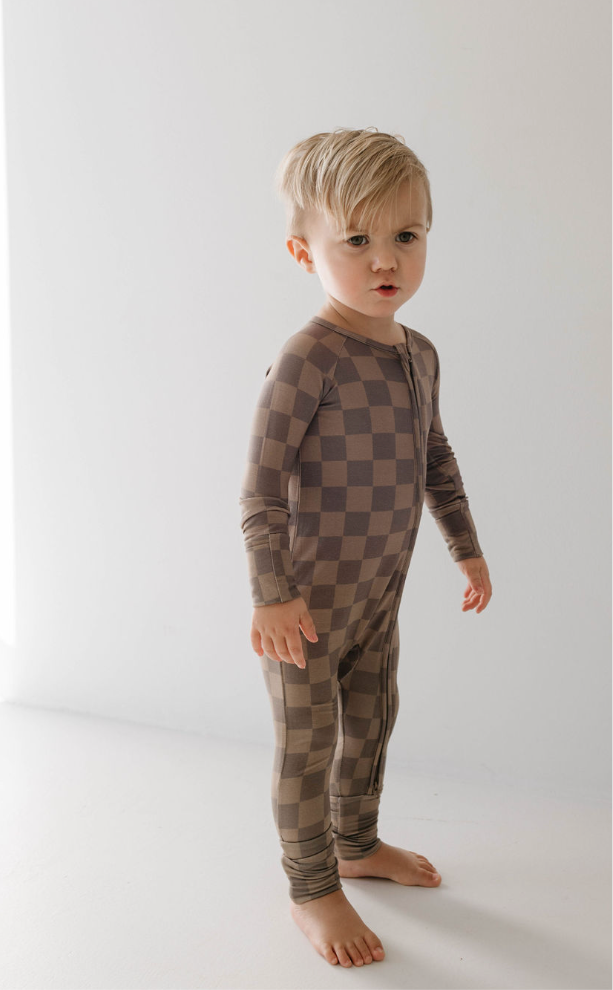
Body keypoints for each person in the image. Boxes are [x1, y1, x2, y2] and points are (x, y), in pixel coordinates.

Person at [238, 127, 492, 968]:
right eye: (356, 239)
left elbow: (436, 459)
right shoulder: (308, 358)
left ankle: (356, 843)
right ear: (302, 252)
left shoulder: (418, 355)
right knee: (308, 745)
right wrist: (271, 592)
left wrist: (465, 546)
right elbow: (261, 489)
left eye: (405, 236)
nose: (385, 259)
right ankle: (310, 886)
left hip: (377, 595)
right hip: (306, 607)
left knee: (374, 721)